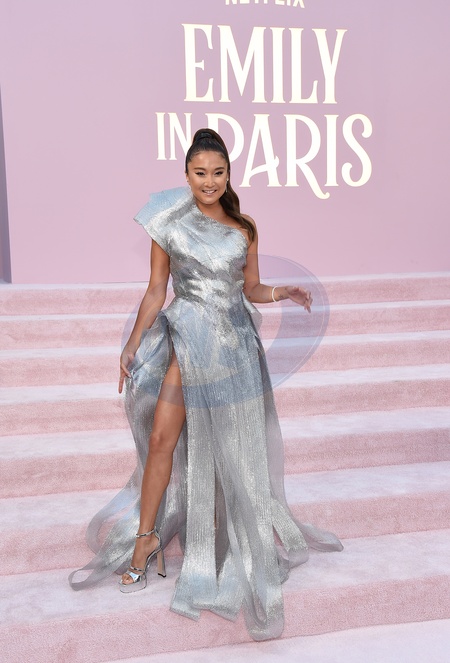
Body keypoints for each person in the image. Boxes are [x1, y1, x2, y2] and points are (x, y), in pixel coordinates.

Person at [69, 128, 343, 641]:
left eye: (218, 173)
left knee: (233, 453)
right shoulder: (168, 224)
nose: (209, 182)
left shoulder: (245, 227)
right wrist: (131, 344)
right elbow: (157, 290)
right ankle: (145, 542)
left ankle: (227, 538)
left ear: (229, 175)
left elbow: (250, 288)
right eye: (200, 173)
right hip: (187, 340)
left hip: (234, 349)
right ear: (186, 175)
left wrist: (282, 292)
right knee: (161, 440)